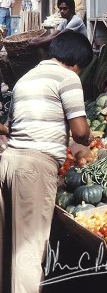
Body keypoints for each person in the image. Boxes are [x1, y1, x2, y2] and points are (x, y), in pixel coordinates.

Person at [0, 31, 94, 293]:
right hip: (34, 167)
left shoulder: (26, 79)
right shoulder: (68, 78)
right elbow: (80, 131)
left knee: (7, 247)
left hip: (8, 162)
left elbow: (12, 126)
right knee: (28, 252)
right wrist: (86, 138)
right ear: (76, 62)